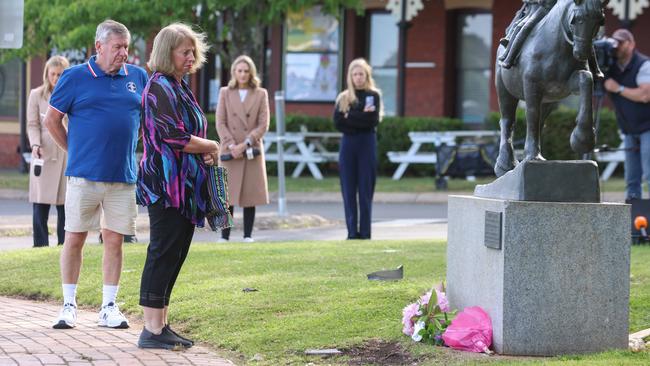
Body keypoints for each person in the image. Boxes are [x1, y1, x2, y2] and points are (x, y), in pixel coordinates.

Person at [43, 20, 148, 329]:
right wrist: (73, 151)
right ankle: (68, 305)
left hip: (122, 178)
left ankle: (109, 307)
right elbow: (52, 120)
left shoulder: (138, 77)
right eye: (118, 47)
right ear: (99, 47)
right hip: (83, 176)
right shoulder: (74, 78)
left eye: (127, 47)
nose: (124, 53)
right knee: (73, 238)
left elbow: (147, 122)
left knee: (114, 241)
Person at [137, 23, 219, 349]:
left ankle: (162, 325)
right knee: (162, 251)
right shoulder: (160, 86)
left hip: (184, 187)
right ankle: (151, 330)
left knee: (175, 253)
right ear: (167, 52)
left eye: (193, 51)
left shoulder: (179, 86)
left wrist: (205, 151)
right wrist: (210, 145)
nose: (191, 57)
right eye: (185, 51)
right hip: (165, 186)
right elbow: (174, 136)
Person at [216, 55, 270, 243]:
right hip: (230, 150)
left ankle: (248, 235)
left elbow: (263, 124)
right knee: (227, 195)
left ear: (251, 73)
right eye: (239, 70)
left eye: (246, 71)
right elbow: (220, 122)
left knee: (250, 194)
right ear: (234, 72)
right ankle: (225, 236)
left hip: (250, 149)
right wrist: (231, 145)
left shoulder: (261, 93)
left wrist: (246, 143)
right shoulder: (225, 92)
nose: (243, 74)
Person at [333, 58, 382, 240]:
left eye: (361, 74)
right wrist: (358, 118)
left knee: (365, 190)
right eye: (355, 74)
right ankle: (352, 232)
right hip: (348, 146)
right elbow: (338, 122)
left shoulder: (373, 96)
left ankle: (365, 233)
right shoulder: (344, 97)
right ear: (350, 77)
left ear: (366, 75)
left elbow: (371, 121)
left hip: (367, 145)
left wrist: (350, 117)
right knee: (348, 189)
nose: (358, 77)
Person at [27, 55, 69, 248]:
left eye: (60, 74)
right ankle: (40, 244)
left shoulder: (71, 93)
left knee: (65, 205)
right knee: (40, 203)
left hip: (65, 152)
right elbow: (32, 124)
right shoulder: (36, 95)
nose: (56, 78)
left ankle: (64, 243)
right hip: (43, 152)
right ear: (47, 74)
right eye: (53, 74)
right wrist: (35, 144)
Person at [604, 29, 650, 200]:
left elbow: (645, 95)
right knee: (631, 179)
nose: (617, 46)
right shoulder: (611, 67)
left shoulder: (644, 64)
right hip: (629, 130)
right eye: (615, 42)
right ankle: (633, 217)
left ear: (631, 44)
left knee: (649, 173)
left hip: (648, 127)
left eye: (621, 42)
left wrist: (618, 88)